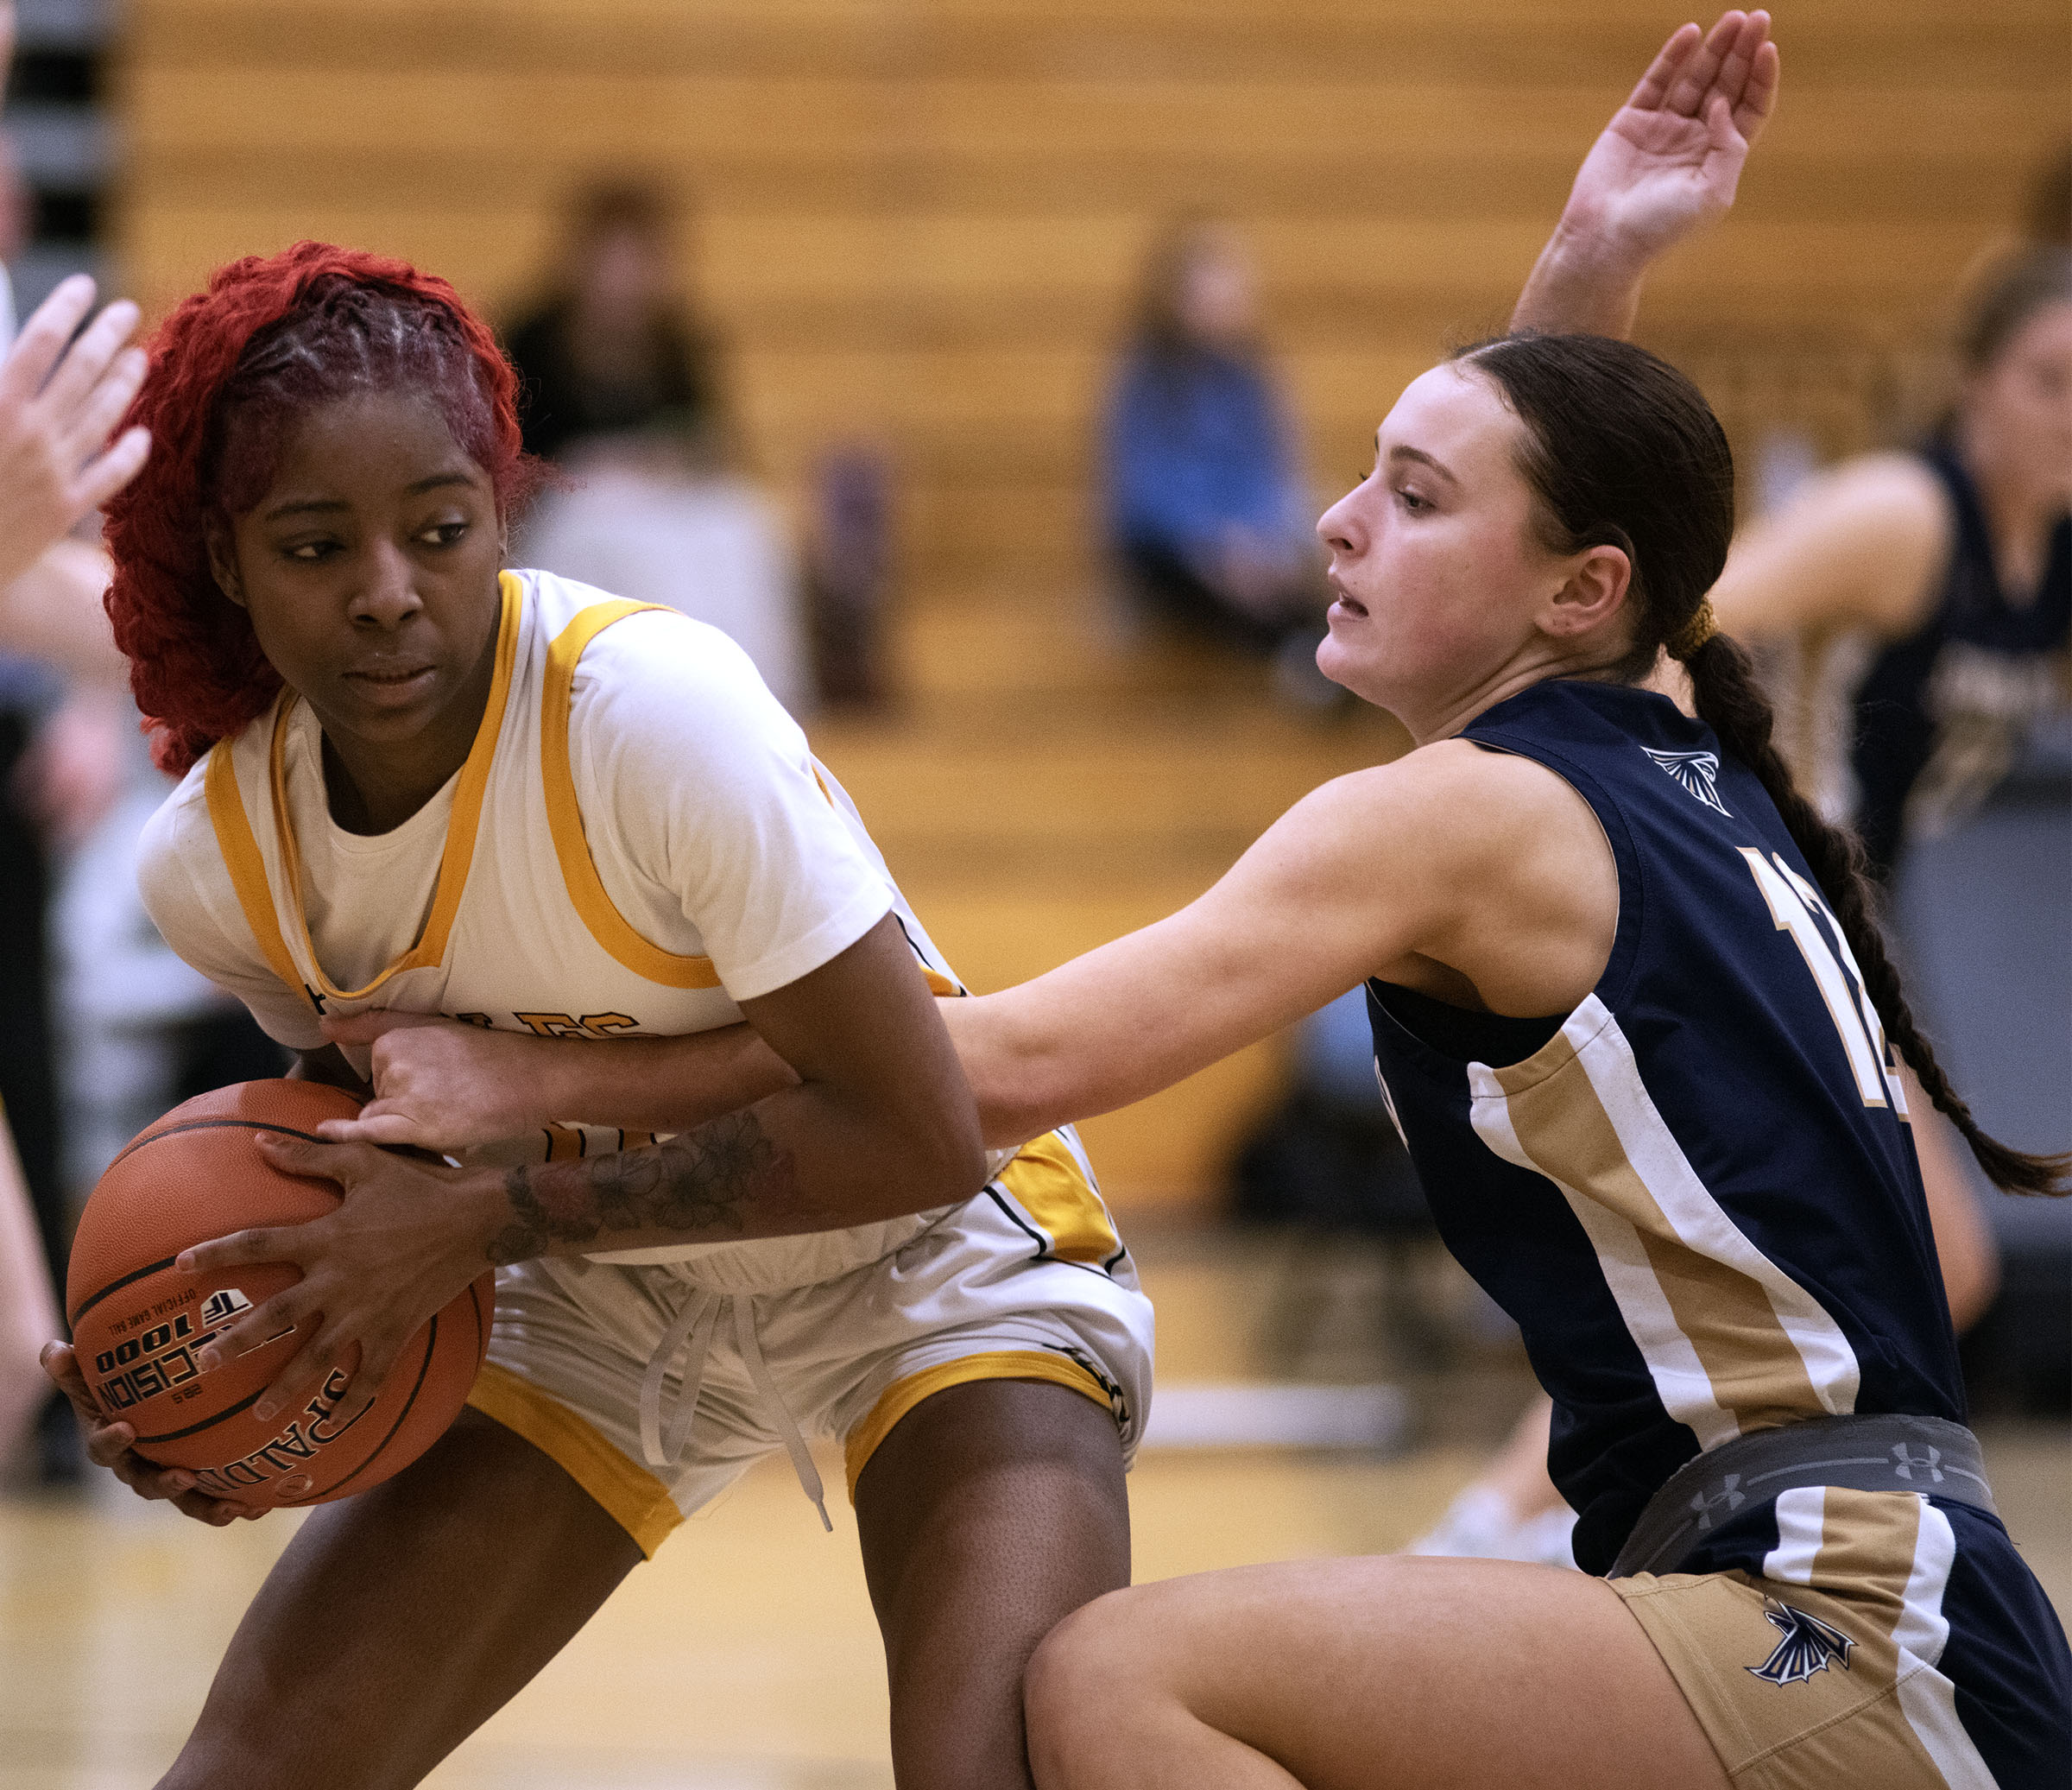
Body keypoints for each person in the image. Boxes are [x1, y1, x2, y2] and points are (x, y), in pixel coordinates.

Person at [262, 18, 2072, 1784]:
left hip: (1837, 1619)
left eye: (1411, 496)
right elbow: (1568, 500)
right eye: (1366, 472)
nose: (1340, 520)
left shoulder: (1458, 817)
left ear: (1576, 591)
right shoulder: (1656, 747)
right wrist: (1592, 260)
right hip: (1880, 1601)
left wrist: (540, 1105)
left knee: (1128, 1679)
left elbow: (989, 1070)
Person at [41, 242, 1149, 1790]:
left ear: (504, 508)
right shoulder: (221, 866)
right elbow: (381, 1171)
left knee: (997, 1770)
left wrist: (495, 1206)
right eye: (313, 547)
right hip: (589, 1295)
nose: (386, 596)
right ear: (227, 559)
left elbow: (912, 1128)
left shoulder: (654, 716)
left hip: (925, 1253)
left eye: (440, 532)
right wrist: (230, 1367)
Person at [1412, 226, 2069, 1573]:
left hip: (1835, 934)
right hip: (1740, 908)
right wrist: (1697, 827)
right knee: (1924, 1262)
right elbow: (1686, 627)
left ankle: (1542, 1532)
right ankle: (1508, 1535)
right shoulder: (1904, 513)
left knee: (1858, 1276)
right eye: (2051, 378)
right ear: (1973, 385)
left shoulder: (2047, 561)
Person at [1102, 215, 1326, 690]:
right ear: (1177, 297)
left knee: (1321, 534)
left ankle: (1308, 655)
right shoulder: (1145, 376)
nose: (1233, 296)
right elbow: (1143, 490)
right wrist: (1212, 542)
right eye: (1216, 284)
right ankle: (1299, 656)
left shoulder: (1252, 375)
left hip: (1247, 542)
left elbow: (1273, 471)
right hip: (1170, 549)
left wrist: (1264, 538)